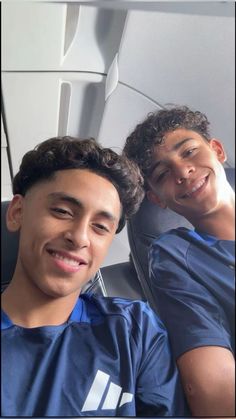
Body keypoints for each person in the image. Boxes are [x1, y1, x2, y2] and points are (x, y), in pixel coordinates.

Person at [1, 136, 189, 417]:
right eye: (62, 211)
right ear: (17, 213)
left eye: (100, 227)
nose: (79, 238)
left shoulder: (134, 331)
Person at [123, 105, 235, 416]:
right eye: (163, 174)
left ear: (217, 150)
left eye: (189, 152)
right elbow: (212, 388)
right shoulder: (175, 256)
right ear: (157, 199)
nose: (183, 172)